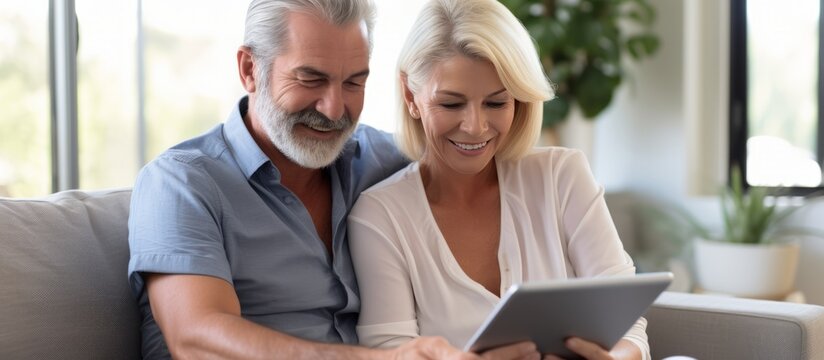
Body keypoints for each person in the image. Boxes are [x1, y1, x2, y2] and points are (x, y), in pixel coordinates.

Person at [127, 0, 542, 359]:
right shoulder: (181, 183)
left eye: (354, 82)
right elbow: (196, 340)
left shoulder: (385, 161)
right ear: (250, 69)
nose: (333, 109)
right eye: (311, 79)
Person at [347, 0, 650, 359]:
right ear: (411, 96)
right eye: (451, 104)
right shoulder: (380, 217)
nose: (475, 127)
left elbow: (629, 325)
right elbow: (391, 354)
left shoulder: (562, 176)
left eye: (495, 103)